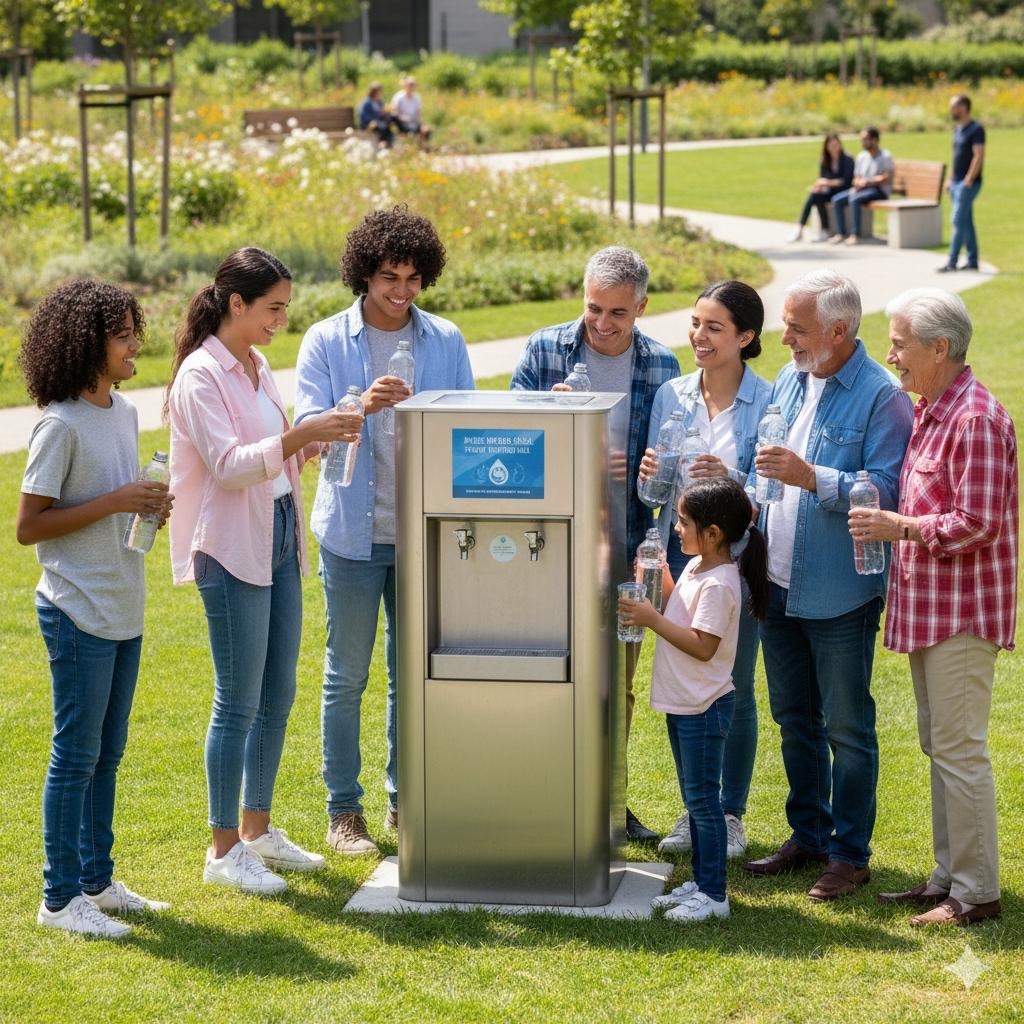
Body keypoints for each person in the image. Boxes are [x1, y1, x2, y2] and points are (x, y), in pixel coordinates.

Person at [168, 247, 362, 893]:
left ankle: (256, 831)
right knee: (237, 701)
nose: (281, 319)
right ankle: (223, 851)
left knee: (277, 694)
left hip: (276, 534)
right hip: (230, 546)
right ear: (236, 304)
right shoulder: (201, 375)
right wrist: (303, 437)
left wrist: (315, 442)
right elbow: (226, 465)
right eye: (273, 307)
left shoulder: (255, 365)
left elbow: (270, 456)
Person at [295, 207, 474, 856]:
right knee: (346, 674)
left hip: (422, 531)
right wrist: (360, 407)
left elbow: (466, 436)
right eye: (388, 276)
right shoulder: (324, 340)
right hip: (350, 534)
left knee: (413, 673)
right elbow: (308, 430)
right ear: (363, 274)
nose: (401, 291)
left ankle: (407, 803)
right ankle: (344, 812)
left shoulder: (446, 341)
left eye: (413, 278)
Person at [744, 269, 914, 901]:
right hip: (777, 581)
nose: (783, 337)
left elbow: (889, 491)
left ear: (839, 331)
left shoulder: (880, 395)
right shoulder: (790, 377)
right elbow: (765, 463)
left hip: (840, 589)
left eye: (797, 327)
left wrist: (815, 477)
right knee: (794, 718)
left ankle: (849, 853)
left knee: (846, 725)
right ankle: (808, 837)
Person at [849, 289, 1017, 927]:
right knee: (940, 744)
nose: (890, 355)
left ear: (940, 348)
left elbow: (977, 521)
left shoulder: (973, 418)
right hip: (934, 610)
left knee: (959, 749)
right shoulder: (935, 409)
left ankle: (976, 893)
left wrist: (901, 525)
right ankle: (949, 877)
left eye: (899, 343)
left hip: (963, 614)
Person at [18, 280, 174, 938]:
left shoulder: (123, 411)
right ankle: (59, 900)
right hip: (76, 608)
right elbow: (30, 526)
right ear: (89, 343)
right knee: (75, 756)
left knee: (108, 755)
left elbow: (116, 497)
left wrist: (148, 506)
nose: (136, 342)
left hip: (123, 602)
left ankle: (97, 882)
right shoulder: (60, 422)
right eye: (123, 334)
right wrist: (115, 502)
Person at [511, 245, 680, 843]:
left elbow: (669, 474)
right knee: (545, 674)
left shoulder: (662, 367)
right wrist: (545, 421)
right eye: (593, 310)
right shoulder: (544, 350)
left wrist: (653, 543)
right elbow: (504, 448)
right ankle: (545, 797)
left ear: (641, 307)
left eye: (618, 313)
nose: (603, 325)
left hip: (627, 549)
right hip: (548, 549)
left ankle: (607, 800)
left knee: (617, 684)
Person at [639, 280, 772, 860]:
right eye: (696, 323)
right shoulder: (672, 394)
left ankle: (729, 813)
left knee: (731, 690)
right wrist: (651, 474)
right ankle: (697, 809)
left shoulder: (771, 399)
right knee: (685, 687)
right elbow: (654, 492)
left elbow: (774, 487)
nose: (698, 336)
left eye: (714, 327)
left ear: (745, 337)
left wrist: (733, 479)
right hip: (681, 559)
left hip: (739, 567)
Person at [620, 477, 768, 922]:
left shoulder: (721, 582)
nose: (677, 529)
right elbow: (679, 608)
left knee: (706, 803)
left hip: (704, 707)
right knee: (694, 799)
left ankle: (715, 895)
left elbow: (703, 644)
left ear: (714, 533)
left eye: (684, 522)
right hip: (685, 703)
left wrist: (648, 619)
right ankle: (701, 883)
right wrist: (660, 577)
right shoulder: (697, 566)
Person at [938, 94, 986, 273]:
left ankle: (952, 261)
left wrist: (969, 179)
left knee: (957, 220)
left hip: (968, 184)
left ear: (964, 107)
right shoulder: (957, 129)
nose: (951, 110)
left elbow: (978, 155)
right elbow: (956, 158)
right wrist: (950, 179)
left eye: (954, 106)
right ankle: (973, 261)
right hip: (956, 183)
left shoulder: (976, 129)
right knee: (966, 222)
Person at [828, 127, 895, 246]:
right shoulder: (861, 156)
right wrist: (858, 184)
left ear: (875, 140)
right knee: (837, 200)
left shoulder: (885, 156)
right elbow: (856, 177)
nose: (863, 142)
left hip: (879, 190)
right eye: (862, 139)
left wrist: (867, 182)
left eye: (865, 139)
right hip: (862, 189)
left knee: (854, 199)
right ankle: (841, 233)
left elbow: (886, 177)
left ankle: (855, 235)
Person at [789, 134, 855, 243]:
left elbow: (846, 181)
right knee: (815, 195)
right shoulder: (825, 160)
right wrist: (818, 186)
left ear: (840, 145)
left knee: (817, 196)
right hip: (830, 191)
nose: (834, 147)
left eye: (836, 144)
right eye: (831, 145)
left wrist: (827, 183)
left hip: (844, 190)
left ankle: (815, 229)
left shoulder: (847, 159)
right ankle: (802, 228)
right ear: (827, 146)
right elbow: (822, 178)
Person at [390, 76, 431, 145]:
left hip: (414, 121)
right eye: (410, 85)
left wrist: (421, 123)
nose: (411, 87)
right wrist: (402, 118)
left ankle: (423, 146)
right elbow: (394, 112)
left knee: (426, 130)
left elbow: (419, 112)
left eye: (413, 85)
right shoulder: (398, 97)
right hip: (402, 123)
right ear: (405, 85)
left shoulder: (417, 97)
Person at [358, 82, 397, 147]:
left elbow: (381, 114)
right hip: (368, 124)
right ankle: (384, 143)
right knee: (383, 127)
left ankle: (389, 143)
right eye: (380, 92)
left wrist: (384, 113)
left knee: (392, 119)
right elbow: (363, 116)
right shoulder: (366, 102)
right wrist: (373, 120)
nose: (381, 93)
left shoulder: (379, 102)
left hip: (379, 123)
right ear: (374, 92)